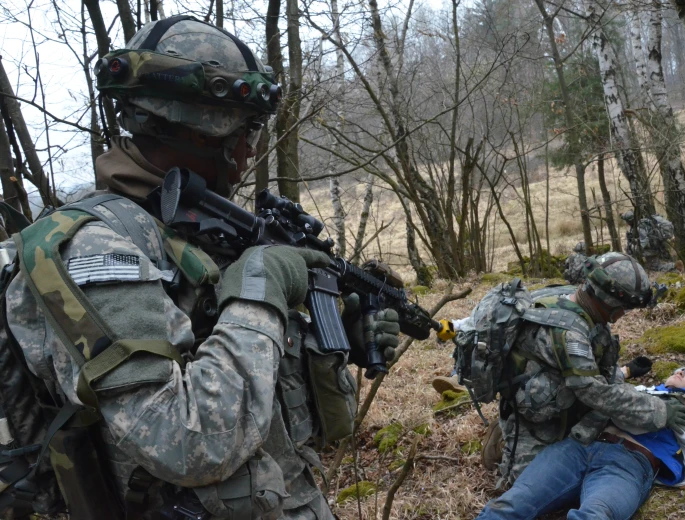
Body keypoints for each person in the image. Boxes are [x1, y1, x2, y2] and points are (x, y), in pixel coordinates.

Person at [1, 17, 399, 519]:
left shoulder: (195, 235)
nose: (251, 149)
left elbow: (275, 421)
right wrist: (261, 288)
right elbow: (186, 445)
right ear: (200, 127)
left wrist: (333, 339)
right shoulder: (91, 249)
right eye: (245, 128)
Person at [461, 252, 685, 485]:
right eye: (624, 308)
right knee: (533, 485)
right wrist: (659, 411)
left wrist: (634, 394)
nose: (623, 314)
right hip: (534, 417)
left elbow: (602, 374)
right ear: (608, 301)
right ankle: (503, 437)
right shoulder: (569, 334)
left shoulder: (576, 303)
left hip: (561, 396)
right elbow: (595, 392)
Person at [475, 360, 685, 520]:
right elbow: (594, 387)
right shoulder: (639, 393)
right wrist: (626, 371)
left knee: (597, 515)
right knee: (514, 503)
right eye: (678, 368)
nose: (681, 370)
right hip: (579, 448)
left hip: (629, 464)